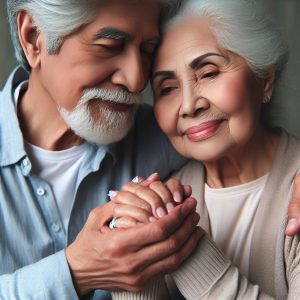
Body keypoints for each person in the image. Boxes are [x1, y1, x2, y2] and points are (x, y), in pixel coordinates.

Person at [0, 1, 206, 299]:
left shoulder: (171, 133)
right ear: (34, 38)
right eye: (110, 45)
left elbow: (258, 152)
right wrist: (77, 271)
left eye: (148, 51)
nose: (136, 80)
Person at [108, 0, 300, 299]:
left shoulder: (296, 194)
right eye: (167, 89)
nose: (189, 105)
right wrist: (133, 255)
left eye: (209, 73)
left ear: (265, 79)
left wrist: (187, 249)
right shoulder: (165, 200)